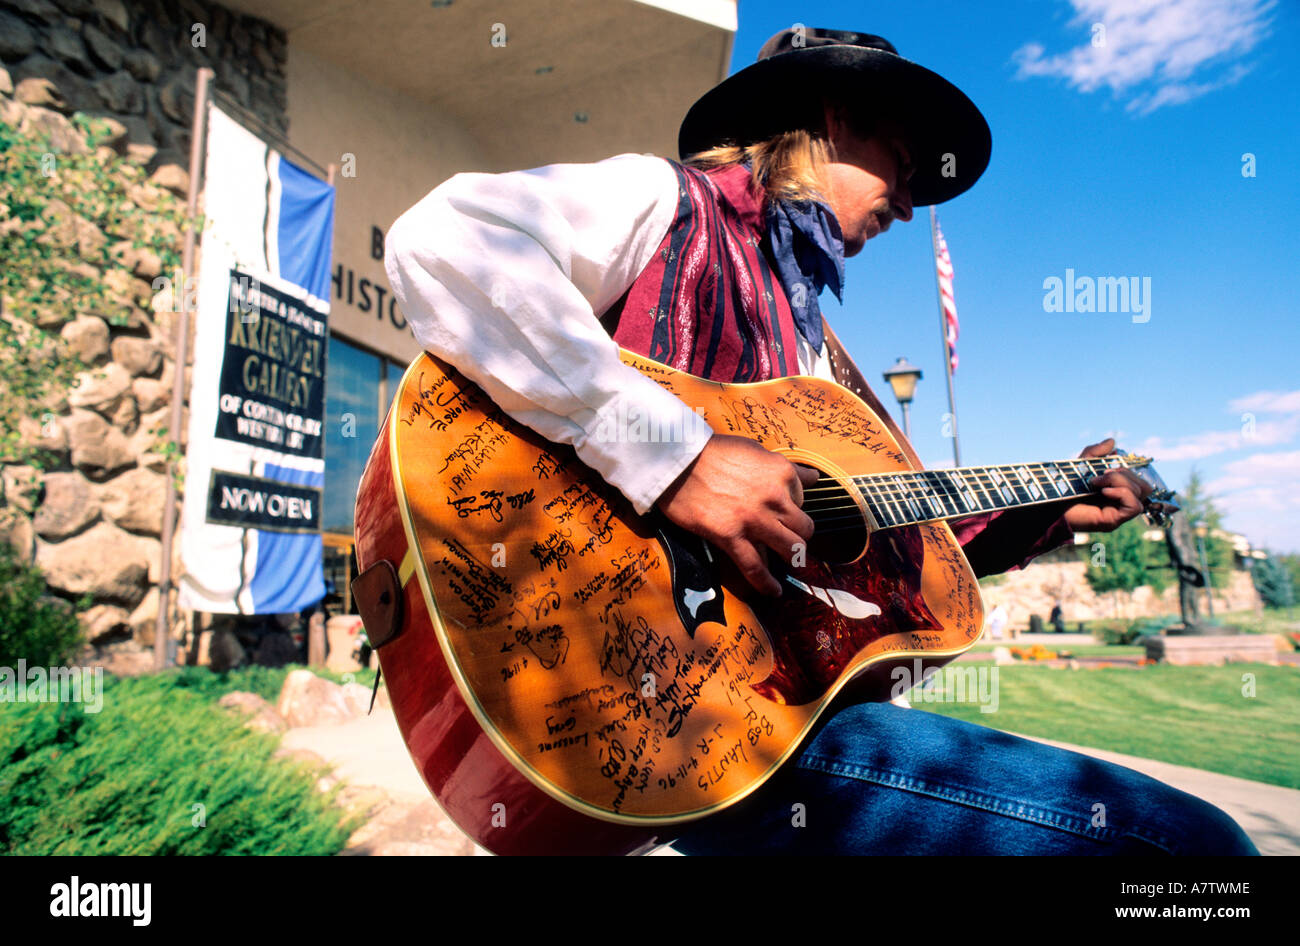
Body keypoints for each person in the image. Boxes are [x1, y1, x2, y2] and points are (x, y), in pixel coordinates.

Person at [384, 28, 1257, 854]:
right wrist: (676, 458)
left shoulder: (814, 354)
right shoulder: (669, 205)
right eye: (904, 168)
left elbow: (910, 535)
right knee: (1189, 849)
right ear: (837, 120)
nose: (911, 207)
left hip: (766, 714)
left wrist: (1051, 506)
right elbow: (450, 242)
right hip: (650, 701)